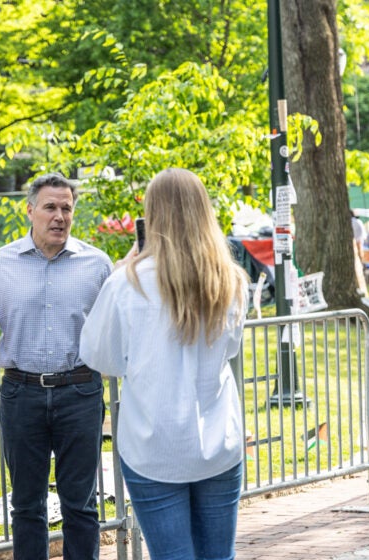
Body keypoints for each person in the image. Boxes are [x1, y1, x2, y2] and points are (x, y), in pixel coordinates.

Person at [79, 168, 249, 560]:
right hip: (218, 438)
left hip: (153, 443)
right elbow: (230, 349)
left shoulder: (127, 284)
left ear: (152, 216)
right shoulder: (231, 281)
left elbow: (98, 356)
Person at [0, 172, 112, 560]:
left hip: (80, 391)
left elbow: (115, 327)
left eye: (66, 208)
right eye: (50, 207)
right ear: (30, 211)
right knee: (26, 504)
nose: (59, 216)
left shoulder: (97, 264)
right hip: (21, 393)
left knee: (81, 504)